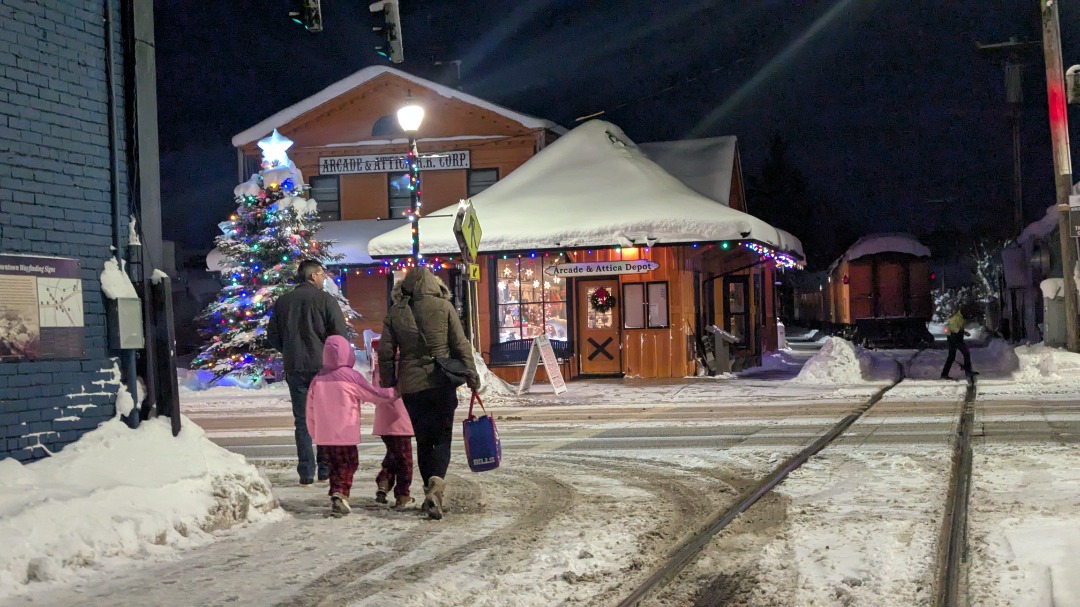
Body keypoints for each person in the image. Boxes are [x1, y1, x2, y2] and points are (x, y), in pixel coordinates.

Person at [378, 267, 480, 520]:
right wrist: (471, 375)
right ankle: (436, 485)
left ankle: (428, 489)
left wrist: (389, 380)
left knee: (424, 440)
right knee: (442, 436)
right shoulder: (444, 307)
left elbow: (386, 352)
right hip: (442, 380)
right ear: (435, 284)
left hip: (412, 386)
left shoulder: (395, 313)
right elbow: (460, 344)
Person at [267, 259, 349, 485]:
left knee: (302, 420)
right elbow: (339, 335)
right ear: (312, 276)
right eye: (322, 274)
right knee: (324, 417)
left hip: (295, 367)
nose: (324, 278)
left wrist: (289, 349)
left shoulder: (284, 302)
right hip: (323, 368)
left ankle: (306, 471)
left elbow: (272, 335)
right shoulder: (325, 300)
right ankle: (325, 469)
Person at [306, 335, 397, 516]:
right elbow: (374, 395)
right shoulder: (351, 377)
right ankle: (340, 494)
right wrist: (395, 392)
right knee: (349, 464)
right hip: (345, 433)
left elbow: (309, 409)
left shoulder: (318, 379)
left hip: (324, 436)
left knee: (334, 467)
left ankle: (336, 494)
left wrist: (314, 432)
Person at [372, 281, 416, 510]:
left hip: (385, 415)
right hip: (401, 414)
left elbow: (376, 386)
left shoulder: (382, 359)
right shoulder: (405, 359)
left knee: (394, 453)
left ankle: (384, 480)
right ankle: (403, 493)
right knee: (405, 457)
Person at [940, 305, 976, 380]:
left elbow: (957, 328)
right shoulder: (956, 318)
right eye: (968, 314)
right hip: (954, 338)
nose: (969, 316)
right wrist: (961, 332)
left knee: (953, 356)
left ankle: (944, 374)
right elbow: (953, 328)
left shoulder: (960, 318)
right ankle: (967, 371)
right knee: (964, 353)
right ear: (964, 312)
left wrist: (964, 332)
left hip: (955, 337)